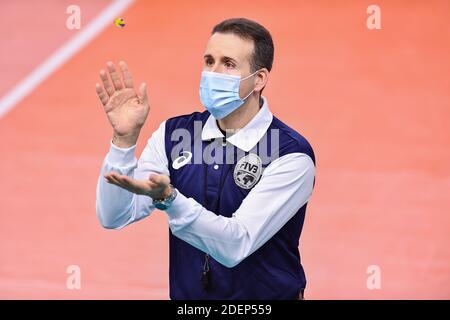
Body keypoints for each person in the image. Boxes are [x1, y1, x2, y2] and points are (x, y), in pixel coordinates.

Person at [95, 17, 316, 300]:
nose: (213, 73)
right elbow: (114, 216)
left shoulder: (290, 154)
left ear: (259, 79)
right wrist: (123, 141)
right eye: (209, 61)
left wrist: (171, 201)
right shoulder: (175, 134)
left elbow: (236, 244)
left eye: (228, 64)